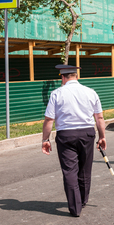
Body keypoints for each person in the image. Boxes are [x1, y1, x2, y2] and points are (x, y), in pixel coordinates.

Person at [42, 64, 107, 217]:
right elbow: (99, 117)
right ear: (77, 76)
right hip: (87, 134)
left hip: (66, 135)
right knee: (85, 169)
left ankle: (75, 208)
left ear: (63, 77)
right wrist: (102, 136)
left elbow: (49, 119)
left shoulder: (56, 94)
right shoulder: (91, 92)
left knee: (70, 171)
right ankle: (83, 200)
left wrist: (45, 139)